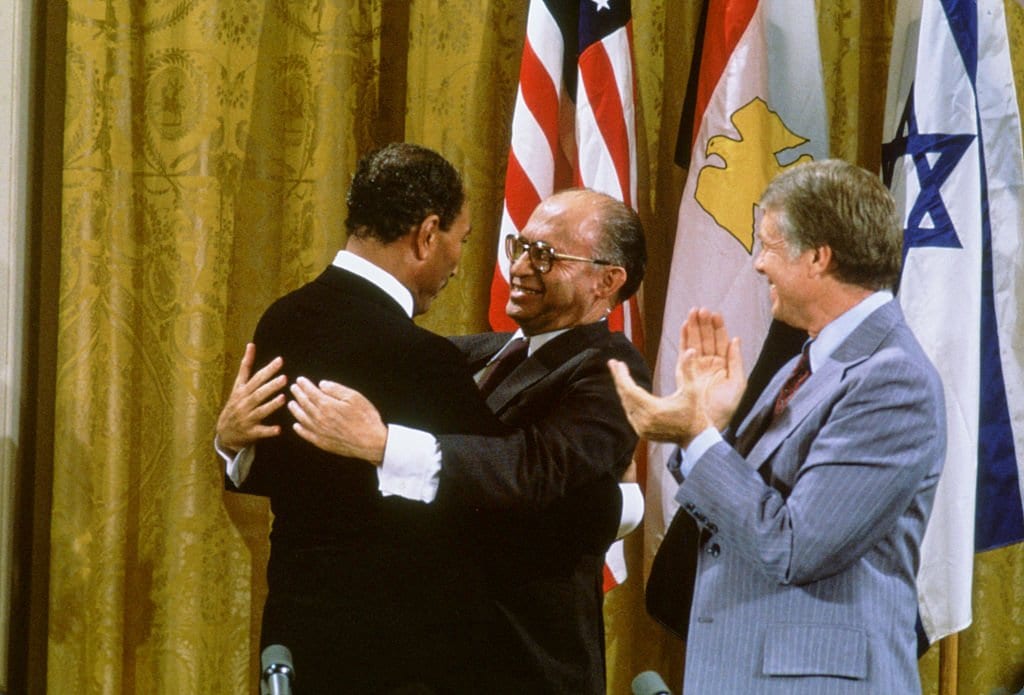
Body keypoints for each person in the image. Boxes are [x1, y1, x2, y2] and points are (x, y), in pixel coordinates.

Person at [218, 184, 651, 693]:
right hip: (436, 657)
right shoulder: (461, 356)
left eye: (547, 255)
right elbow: (336, 456)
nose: (521, 267)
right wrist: (235, 440)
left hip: (528, 663)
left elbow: (535, 470)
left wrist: (383, 445)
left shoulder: (612, 371)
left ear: (608, 281)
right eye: (521, 246)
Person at [608, 159, 946, 694]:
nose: (759, 265)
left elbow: (794, 546)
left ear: (817, 257)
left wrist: (697, 438)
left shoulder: (891, 379)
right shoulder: (805, 363)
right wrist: (714, 427)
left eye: (768, 245)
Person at [217, 142, 510, 693]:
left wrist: (230, 447)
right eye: (461, 240)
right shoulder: (423, 360)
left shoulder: (282, 319)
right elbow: (501, 496)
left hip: (297, 645)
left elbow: (274, 467)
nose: (458, 261)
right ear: (427, 235)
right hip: (398, 658)